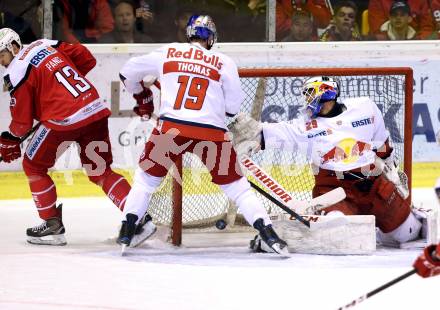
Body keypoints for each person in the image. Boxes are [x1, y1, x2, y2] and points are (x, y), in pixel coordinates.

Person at [117, 14, 288, 254]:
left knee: (145, 182)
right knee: (238, 189)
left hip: (170, 129)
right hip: (212, 133)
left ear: (189, 34)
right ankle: (269, 235)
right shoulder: (223, 61)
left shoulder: (169, 51)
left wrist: (142, 97)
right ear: (211, 39)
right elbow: (233, 108)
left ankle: (127, 230)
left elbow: (126, 74)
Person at [230, 76, 429, 248]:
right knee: (339, 234)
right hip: (335, 193)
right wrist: (253, 133)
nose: (307, 100)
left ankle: (380, 230)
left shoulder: (365, 108)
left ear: (326, 94)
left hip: (374, 186)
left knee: (409, 232)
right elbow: (267, 133)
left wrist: (391, 169)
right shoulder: (305, 126)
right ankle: (277, 238)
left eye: (310, 94)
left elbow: (381, 142)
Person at [0, 28, 155, 246]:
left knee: (33, 165)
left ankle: (52, 226)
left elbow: (22, 123)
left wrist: (9, 138)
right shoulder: (45, 44)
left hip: (64, 120)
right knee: (100, 171)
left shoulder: (16, 71)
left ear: (14, 47)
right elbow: (86, 58)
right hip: (93, 108)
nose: (1, 61)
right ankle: (139, 219)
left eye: (1, 54)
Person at [368, 0, 435, 40]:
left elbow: (427, 28)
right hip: (386, 45)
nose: (398, 18)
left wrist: (415, 42)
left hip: (415, 43)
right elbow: (377, 30)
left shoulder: (421, 1)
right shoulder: (377, 1)